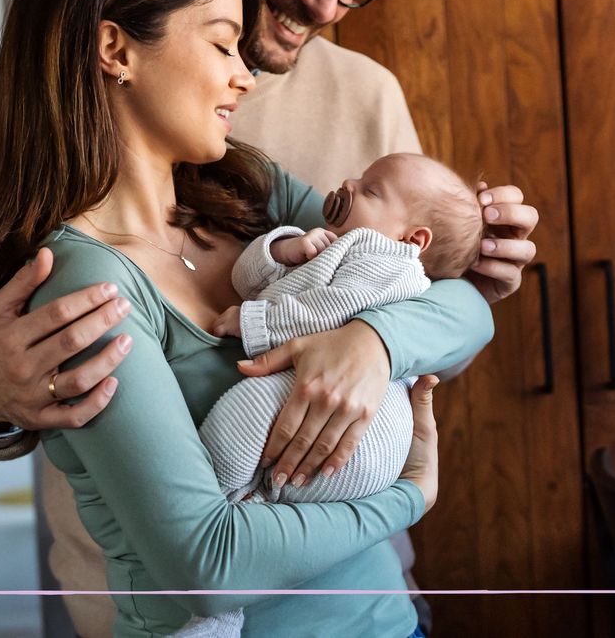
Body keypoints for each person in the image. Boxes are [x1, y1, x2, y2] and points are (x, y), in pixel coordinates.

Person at [0, 0, 538, 635]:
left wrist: (380, 337)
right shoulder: (78, 236)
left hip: (374, 603)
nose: (328, 2)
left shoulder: (267, 163)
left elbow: (445, 299)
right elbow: (196, 552)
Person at [180, 152, 482, 637]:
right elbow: (247, 279)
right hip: (338, 427)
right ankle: (230, 529)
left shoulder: (390, 264)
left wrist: (252, 322)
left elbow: (322, 317)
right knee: (255, 428)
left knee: (248, 407)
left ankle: (218, 517)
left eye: (371, 190)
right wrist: (283, 250)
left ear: (413, 239)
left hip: (366, 435)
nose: (348, 183)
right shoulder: (338, 248)